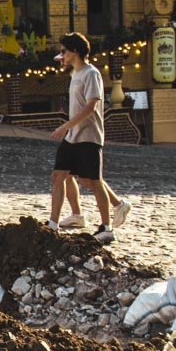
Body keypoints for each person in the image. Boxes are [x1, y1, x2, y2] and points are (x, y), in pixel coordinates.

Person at [47, 32, 131, 244]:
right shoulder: (75, 74)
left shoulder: (90, 74)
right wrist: (68, 130)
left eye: (64, 51)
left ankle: (106, 227)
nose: (62, 55)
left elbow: (91, 107)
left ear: (75, 51)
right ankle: (52, 225)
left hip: (89, 136)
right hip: (73, 136)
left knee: (92, 181)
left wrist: (65, 125)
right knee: (58, 175)